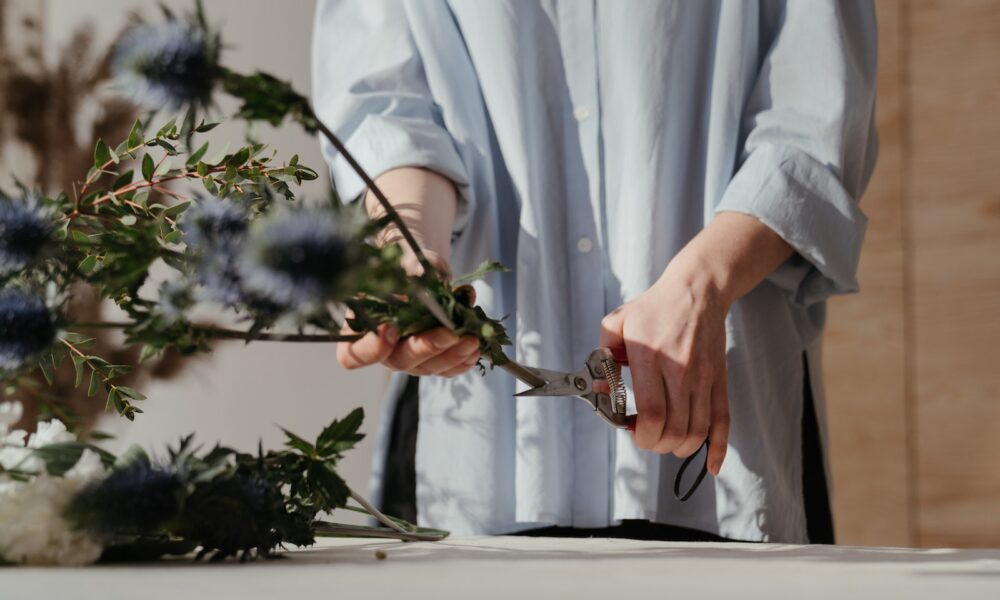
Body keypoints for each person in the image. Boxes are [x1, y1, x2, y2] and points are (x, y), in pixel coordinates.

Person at [312, 0, 878, 544]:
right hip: (479, 470)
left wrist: (703, 285)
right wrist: (408, 250)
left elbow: (815, 112)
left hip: (722, 457)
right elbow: (387, 108)